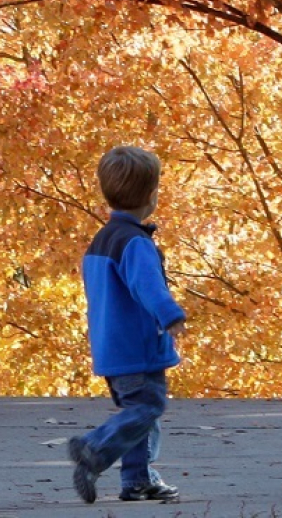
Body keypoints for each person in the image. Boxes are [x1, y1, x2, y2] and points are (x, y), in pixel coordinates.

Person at [68, 145, 187, 504]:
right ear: (151, 196)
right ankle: (94, 448)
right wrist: (170, 315)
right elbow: (147, 286)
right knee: (147, 408)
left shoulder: (102, 241)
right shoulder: (135, 243)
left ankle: (137, 480)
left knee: (139, 415)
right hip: (137, 347)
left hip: (111, 346)